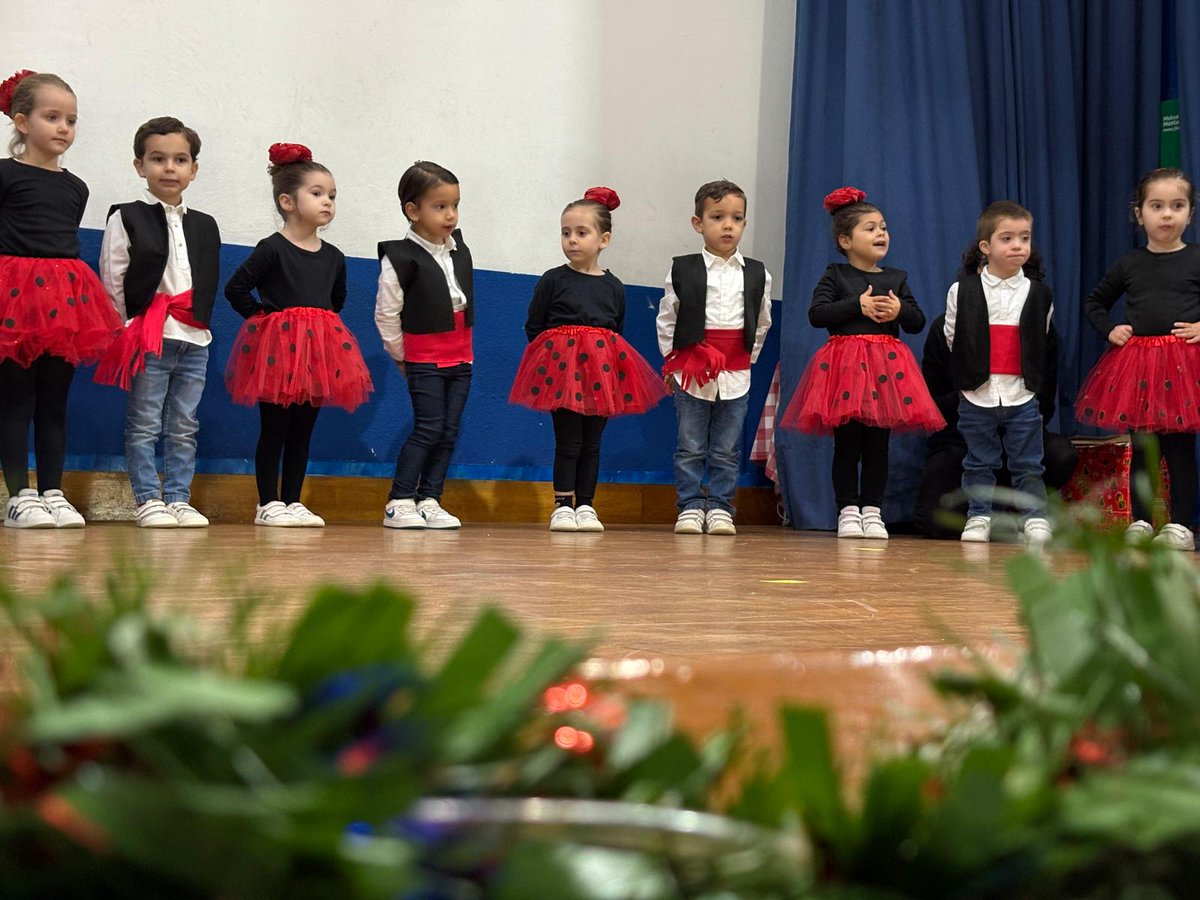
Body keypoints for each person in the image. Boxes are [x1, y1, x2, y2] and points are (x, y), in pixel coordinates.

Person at [779, 187, 943, 539]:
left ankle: (873, 510)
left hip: (886, 372)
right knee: (847, 445)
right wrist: (858, 306)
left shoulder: (895, 278)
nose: (880, 233)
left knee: (878, 446)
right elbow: (817, 314)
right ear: (845, 240)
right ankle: (848, 510)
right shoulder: (836, 275)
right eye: (870, 228)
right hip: (845, 370)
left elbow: (916, 321)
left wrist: (899, 310)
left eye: (883, 227)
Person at [224, 142, 372, 527]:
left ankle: (293, 499)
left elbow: (335, 300)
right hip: (278, 352)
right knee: (274, 428)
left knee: (303, 430)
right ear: (287, 202)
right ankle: (267, 502)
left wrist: (316, 330)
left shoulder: (334, 256)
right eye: (318, 193)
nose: (328, 203)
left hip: (318, 353)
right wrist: (264, 321)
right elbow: (236, 289)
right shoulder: (272, 249)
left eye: (332, 196)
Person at [0, 69, 123, 528]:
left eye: (70, 120)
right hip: (13, 297)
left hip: (66, 299)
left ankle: (52, 489)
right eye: (52, 117)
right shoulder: (6, 174)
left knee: (54, 401)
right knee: (16, 400)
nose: (63, 129)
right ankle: (19, 496)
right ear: (21, 121)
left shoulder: (76, 187)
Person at [510, 187, 667, 532]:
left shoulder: (614, 286)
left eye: (582, 233)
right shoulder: (553, 279)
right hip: (562, 374)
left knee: (592, 442)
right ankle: (563, 504)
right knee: (568, 441)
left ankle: (586, 504)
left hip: (601, 372)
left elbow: (616, 332)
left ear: (604, 239)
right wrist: (553, 361)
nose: (572, 240)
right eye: (566, 233)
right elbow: (535, 326)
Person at [96, 116, 220, 528]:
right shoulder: (127, 216)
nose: (169, 168)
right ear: (139, 165)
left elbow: (206, 277)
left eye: (180, 159)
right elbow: (113, 274)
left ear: (193, 170)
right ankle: (148, 498)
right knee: (145, 420)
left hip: (195, 337)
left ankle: (179, 497)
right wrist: (125, 325)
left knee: (185, 423)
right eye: (158, 158)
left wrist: (200, 323)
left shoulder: (205, 225)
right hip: (150, 333)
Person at [1076, 167, 1200, 549]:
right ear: (1139, 214)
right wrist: (1111, 330)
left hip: (1183, 368)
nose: (1167, 214)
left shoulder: (1196, 258)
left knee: (1179, 450)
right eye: (1157, 206)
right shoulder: (1131, 263)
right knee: (1143, 449)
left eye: (1177, 206)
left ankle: (1180, 525)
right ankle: (1142, 521)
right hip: (1140, 370)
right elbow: (1095, 301)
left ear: (1190, 213)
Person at [656, 179, 772, 536]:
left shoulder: (756, 273)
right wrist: (674, 362)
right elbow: (668, 317)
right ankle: (690, 504)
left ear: (744, 224)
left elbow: (762, 319)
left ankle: (721, 506)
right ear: (698, 223)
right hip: (691, 370)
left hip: (736, 371)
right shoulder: (682, 268)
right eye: (718, 217)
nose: (727, 225)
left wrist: (745, 360)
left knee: (726, 447)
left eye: (736, 218)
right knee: (690, 444)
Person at [942, 202, 1057, 544]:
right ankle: (979, 515)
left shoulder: (1039, 294)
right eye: (1007, 238)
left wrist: (1032, 386)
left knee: (1028, 461)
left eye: (1025, 238)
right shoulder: (961, 290)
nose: (1018, 245)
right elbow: (953, 336)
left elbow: (1042, 340)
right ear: (985, 247)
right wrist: (970, 376)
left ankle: (1034, 517)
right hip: (978, 392)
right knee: (978, 461)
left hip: (1021, 393)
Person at [914, 309, 1077, 539]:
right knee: (932, 520)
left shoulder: (1037, 325)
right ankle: (992, 521)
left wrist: (1011, 402)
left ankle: (1016, 513)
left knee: (1061, 454)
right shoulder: (947, 325)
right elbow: (934, 406)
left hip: (1018, 439)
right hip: (961, 441)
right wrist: (973, 396)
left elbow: (1045, 403)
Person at [375, 161, 471, 530]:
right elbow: (387, 314)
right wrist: (403, 356)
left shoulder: (458, 248)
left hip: (461, 353)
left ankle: (430, 498)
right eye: (439, 206)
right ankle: (399, 499)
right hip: (424, 356)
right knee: (428, 427)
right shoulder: (400, 257)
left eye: (455, 205)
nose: (450, 214)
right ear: (412, 211)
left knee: (449, 429)